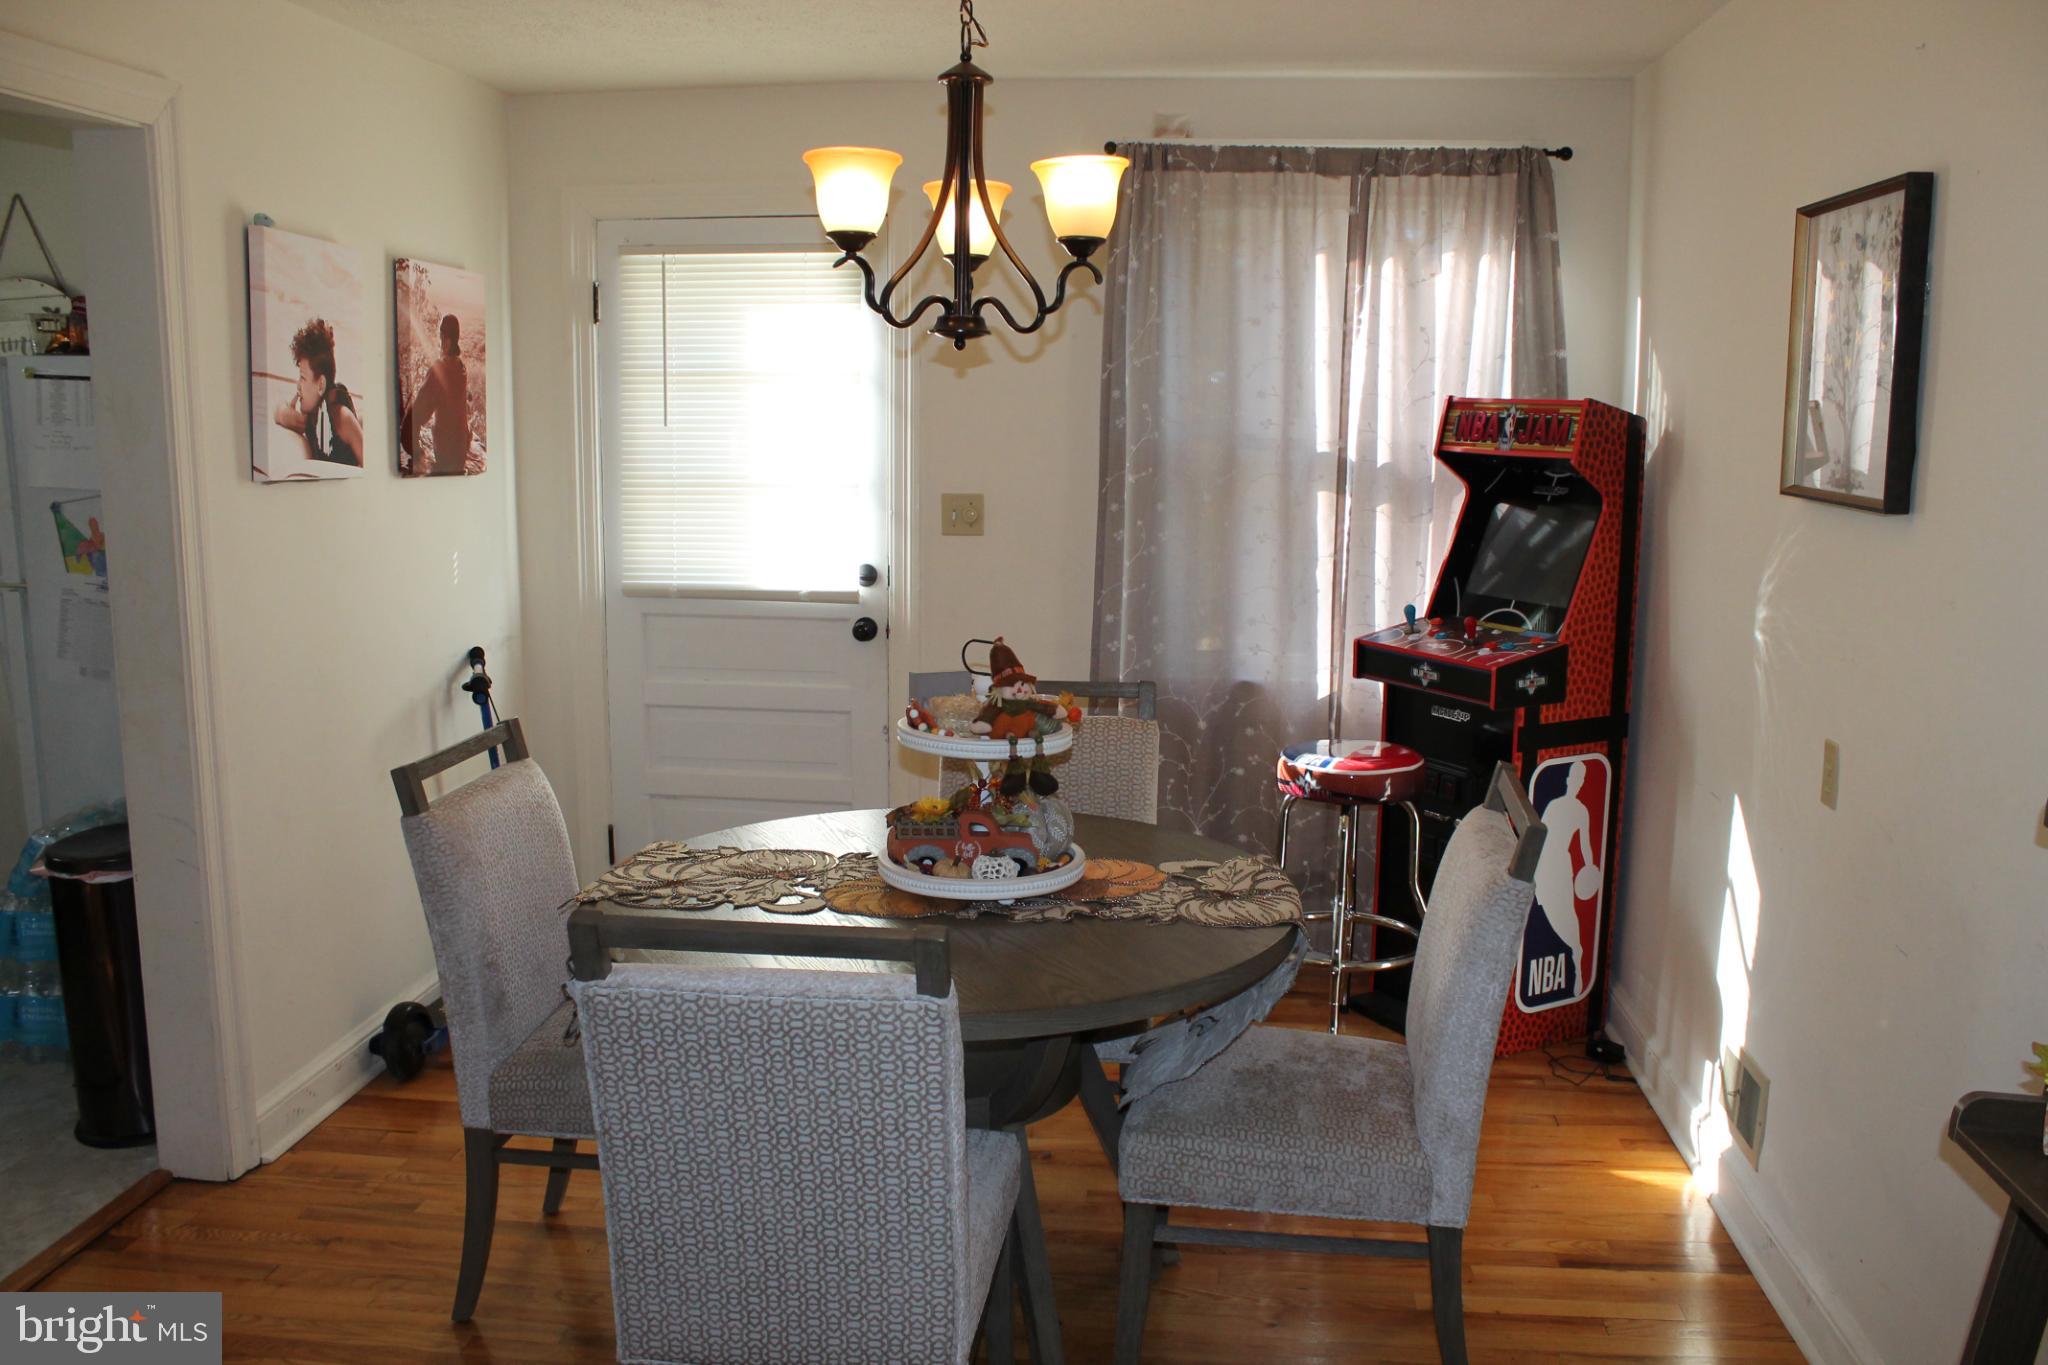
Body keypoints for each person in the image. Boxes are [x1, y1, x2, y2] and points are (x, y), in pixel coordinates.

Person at [1531, 760, 1600, 997]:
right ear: (1568, 780)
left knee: (1567, 917)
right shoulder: (1554, 804)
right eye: (1573, 779)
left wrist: (1590, 868)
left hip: (1562, 865)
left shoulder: (1581, 811)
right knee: (1542, 911)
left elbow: (1585, 845)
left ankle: (1577, 960)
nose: (1576, 784)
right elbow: (1541, 833)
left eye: (1580, 780)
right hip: (1544, 861)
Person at [272, 318, 363, 467]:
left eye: (303, 378)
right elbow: (277, 410)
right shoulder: (310, 415)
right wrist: (284, 415)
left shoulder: (342, 418)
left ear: (320, 385)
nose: (298, 385)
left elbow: (371, 469)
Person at [399, 313, 471, 476]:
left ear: (445, 340)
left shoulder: (441, 369)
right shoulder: (461, 368)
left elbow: (414, 418)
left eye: (441, 337)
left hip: (445, 459)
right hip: (459, 456)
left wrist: (415, 451)